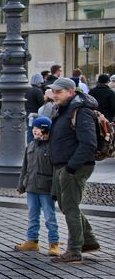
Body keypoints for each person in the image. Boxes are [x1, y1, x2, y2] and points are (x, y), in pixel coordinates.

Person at [48, 77, 101, 264]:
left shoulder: (81, 111)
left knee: (70, 207)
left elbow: (89, 143)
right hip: (64, 164)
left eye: (58, 92)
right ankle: (88, 240)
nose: (54, 95)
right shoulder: (65, 109)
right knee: (67, 205)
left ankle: (74, 251)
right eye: (53, 91)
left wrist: (71, 167)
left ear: (70, 92)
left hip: (75, 166)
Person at [15, 116, 60, 256]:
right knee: (32, 215)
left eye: (39, 129)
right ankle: (32, 241)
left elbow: (56, 170)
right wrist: (21, 186)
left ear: (46, 130)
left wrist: (55, 190)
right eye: (34, 128)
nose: (35, 131)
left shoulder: (53, 147)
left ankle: (54, 243)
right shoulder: (31, 145)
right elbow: (25, 167)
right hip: (31, 187)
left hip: (46, 188)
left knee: (49, 217)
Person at [25, 75, 46, 142]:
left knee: (30, 131)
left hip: (27, 113)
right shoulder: (38, 91)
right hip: (36, 114)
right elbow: (42, 103)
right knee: (37, 132)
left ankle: (29, 146)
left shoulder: (27, 90)